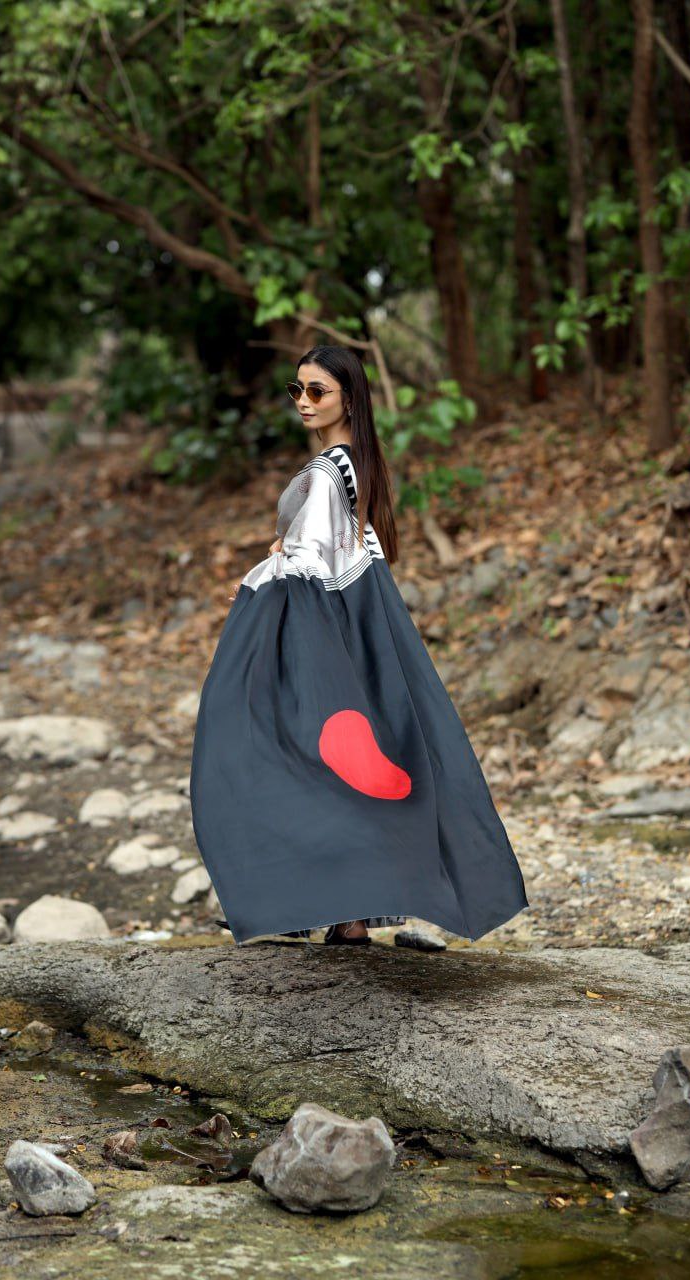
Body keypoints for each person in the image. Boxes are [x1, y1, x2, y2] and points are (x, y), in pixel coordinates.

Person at [190, 344, 528, 947]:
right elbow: (329, 546)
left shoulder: (329, 471)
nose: (303, 402)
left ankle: (312, 900)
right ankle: (342, 912)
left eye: (316, 391)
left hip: (324, 616)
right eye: (296, 390)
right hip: (361, 618)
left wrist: (272, 580)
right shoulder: (352, 463)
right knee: (356, 759)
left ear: (349, 397)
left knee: (269, 738)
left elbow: (312, 558)